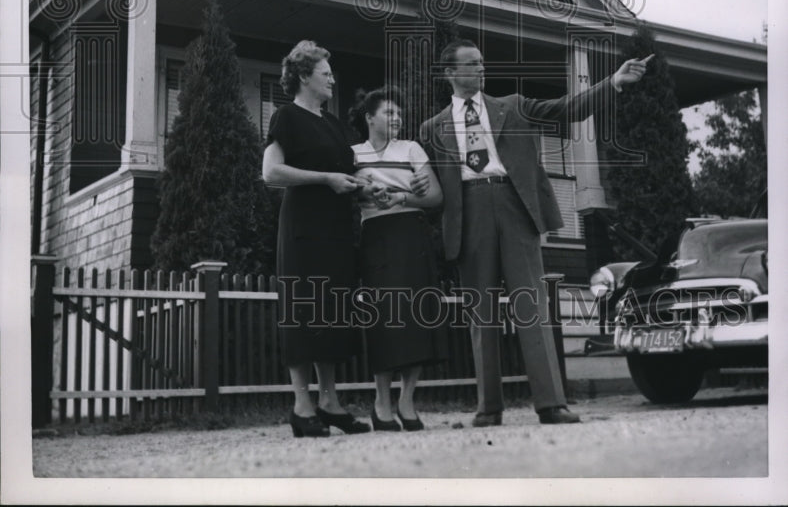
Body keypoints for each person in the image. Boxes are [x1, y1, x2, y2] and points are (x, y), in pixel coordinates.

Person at [419, 38, 652, 427]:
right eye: (472, 64)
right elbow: (431, 184)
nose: (480, 69)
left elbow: (566, 109)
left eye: (482, 62)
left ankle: (551, 404)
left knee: (532, 306)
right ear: (450, 73)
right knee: (482, 315)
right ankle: (488, 408)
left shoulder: (512, 105)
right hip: (469, 213)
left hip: (514, 207)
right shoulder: (432, 128)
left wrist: (613, 81)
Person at [262, 40, 371, 438]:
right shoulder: (286, 116)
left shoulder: (333, 123)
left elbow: (342, 173)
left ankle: (329, 402)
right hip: (304, 229)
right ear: (304, 76)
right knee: (304, 312)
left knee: (333, 314)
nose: (332, 79)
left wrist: (363, 187)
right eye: (325, 73)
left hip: (337, 229)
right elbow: (272, 174)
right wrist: (326, 179)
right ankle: (301, 405)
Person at [349, 88, 447, 431]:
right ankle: (381, 402)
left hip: (411, 234)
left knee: (416, 318)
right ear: (369, 117)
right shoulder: (352, 154)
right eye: (389, 113)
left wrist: (403, 197)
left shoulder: (411, 149)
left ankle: (406, 400)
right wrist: (364, 191)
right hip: (376, 237)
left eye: (399, 114)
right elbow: (347, 193)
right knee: (385, 320)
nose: (397, 119)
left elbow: (435, 196)